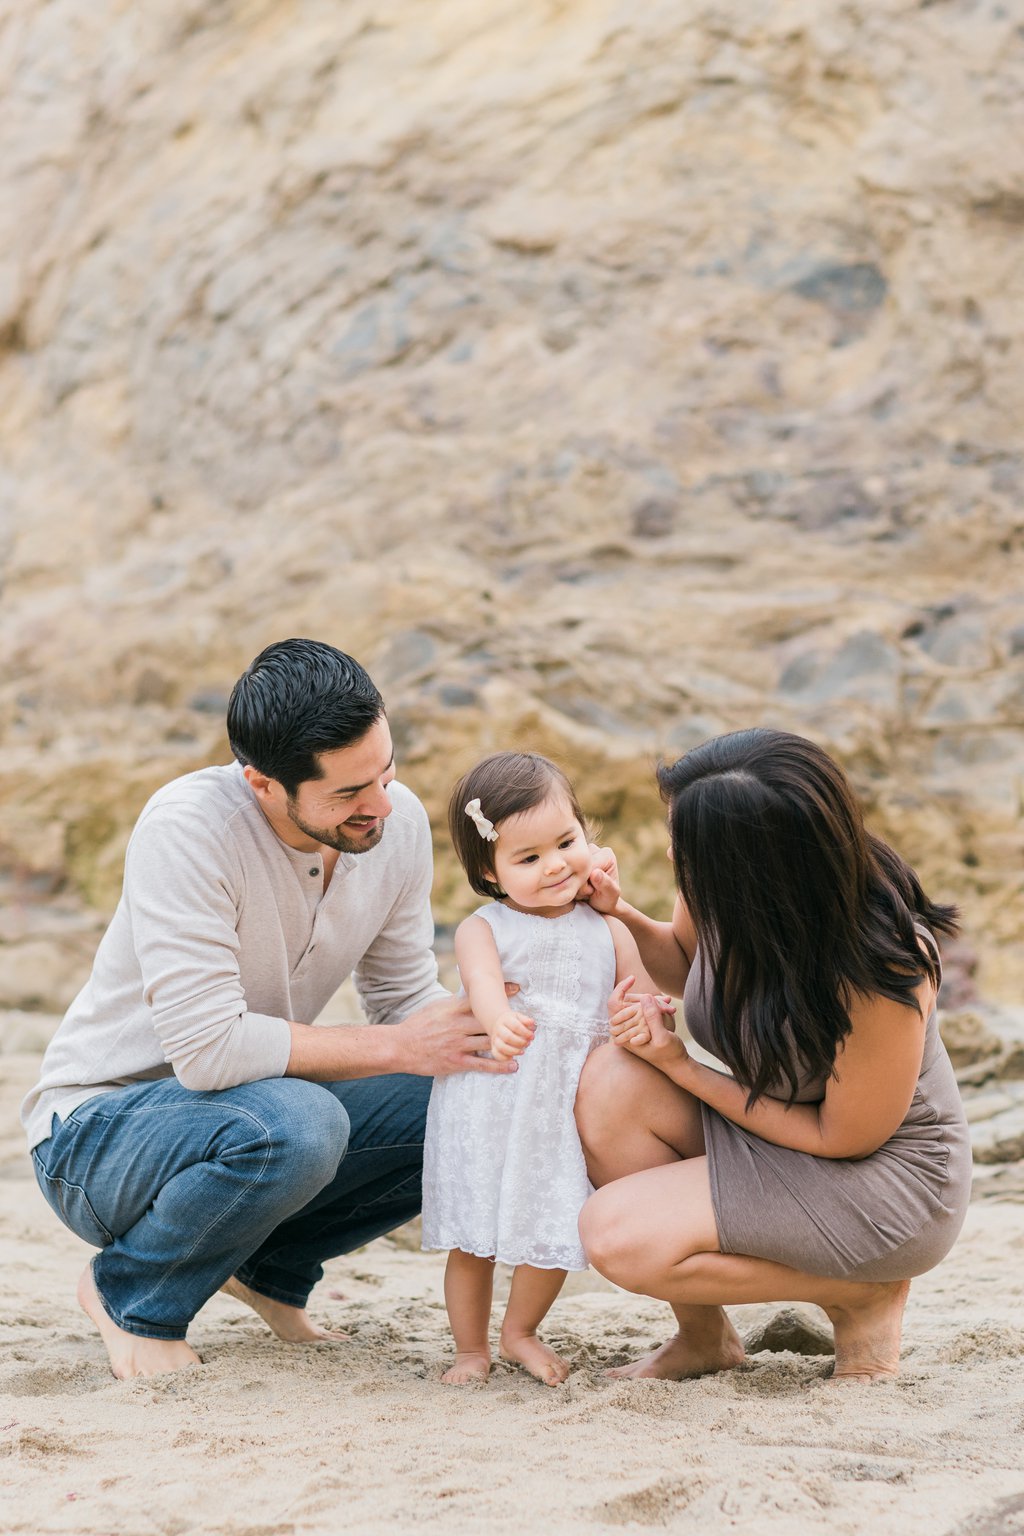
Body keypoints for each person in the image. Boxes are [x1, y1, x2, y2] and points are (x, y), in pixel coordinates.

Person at [22, 638, 522, 1381]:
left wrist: (491, 1022)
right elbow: (210, 1052)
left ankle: (268, 1266)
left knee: (478, 1087)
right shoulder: (187, 830)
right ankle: (129, 1295)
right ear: (262, 783)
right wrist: (400, 1049)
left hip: (255, 1109)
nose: (380, 804)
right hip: (97, 1138)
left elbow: (401, 1001)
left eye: (385, 771)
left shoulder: (396, 822)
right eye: (350, 793)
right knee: (300, 1123)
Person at [575, 728, 971, 1384]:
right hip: (784, 1135)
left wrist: (682, 1067)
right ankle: (705, 1339)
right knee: (611, 1085)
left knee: (614, 1236)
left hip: (887, 1178)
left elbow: (839, 1136)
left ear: (756, 866)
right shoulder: (725, 886)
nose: (672, 850)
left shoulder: (881, 967)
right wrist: (618, 914)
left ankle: (861, 1293)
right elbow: (685, 965)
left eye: (682, 842)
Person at [421, 752, 672, 1387]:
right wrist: (498, 1014)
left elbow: (641, 993)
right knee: (473, 1238)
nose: (556, 864)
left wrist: (644, 1012)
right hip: (493, 1094)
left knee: (554, 1218)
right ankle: (470, 1349)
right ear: (490, 870)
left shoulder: (605, 926)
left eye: (567, 842)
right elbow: (480, 982)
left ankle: (519, 1331)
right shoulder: (487, 925)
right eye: (528, 858)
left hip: (561, 1104)